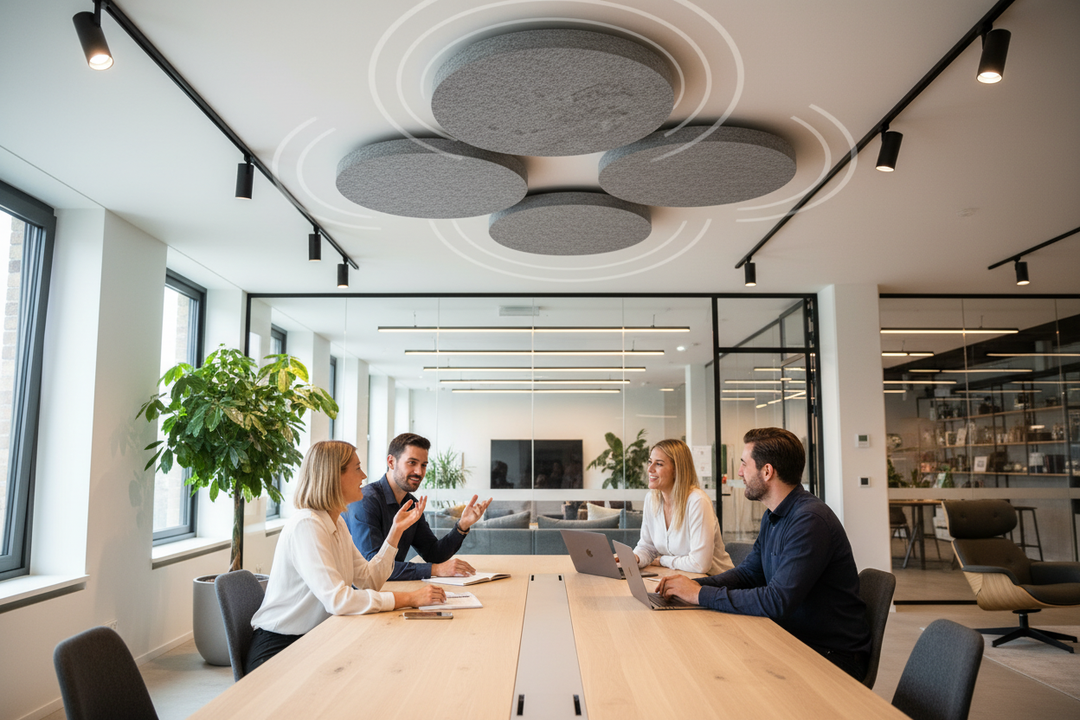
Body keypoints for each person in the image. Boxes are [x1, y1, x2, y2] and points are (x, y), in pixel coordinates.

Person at [653, 428, 872, 681]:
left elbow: (777, 601)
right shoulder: (774, 516)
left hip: (830, 655)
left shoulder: (809, 521)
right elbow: (748, 575)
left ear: (767, 471)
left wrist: (699, 594)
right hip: (792, 637)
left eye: (744, 464)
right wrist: (692, 587)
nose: (739, 472)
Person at [247, 440, 445, 673]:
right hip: (279, 647)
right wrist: (409, 598)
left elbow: (369, 581)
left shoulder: (336, 522)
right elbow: (338, 600)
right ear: (334, 476)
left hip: (315, 637)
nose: (364, 476)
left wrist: (395, 532)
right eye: (357, 468)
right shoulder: (307, 525)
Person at [345, 433, 492, 581]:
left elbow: (433, 553)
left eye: (423, 465)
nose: (419, 472)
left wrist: (462, 525)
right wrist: (436, 569)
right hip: (359, 592)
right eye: (412, 463)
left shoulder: (411, 504)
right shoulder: (365, 501)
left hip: (390, 588)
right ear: (391, 462)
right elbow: (373, 566)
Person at [631, 439, 734, 575]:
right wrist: (635, 558)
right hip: (680, 576)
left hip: (715, 581)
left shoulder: (697, 501)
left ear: (676, 470)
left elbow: (700, 564)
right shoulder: (651, 499)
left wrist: (662, 560)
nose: (650, 469)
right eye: (650, 462)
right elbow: (648, 547)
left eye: (659, 464)